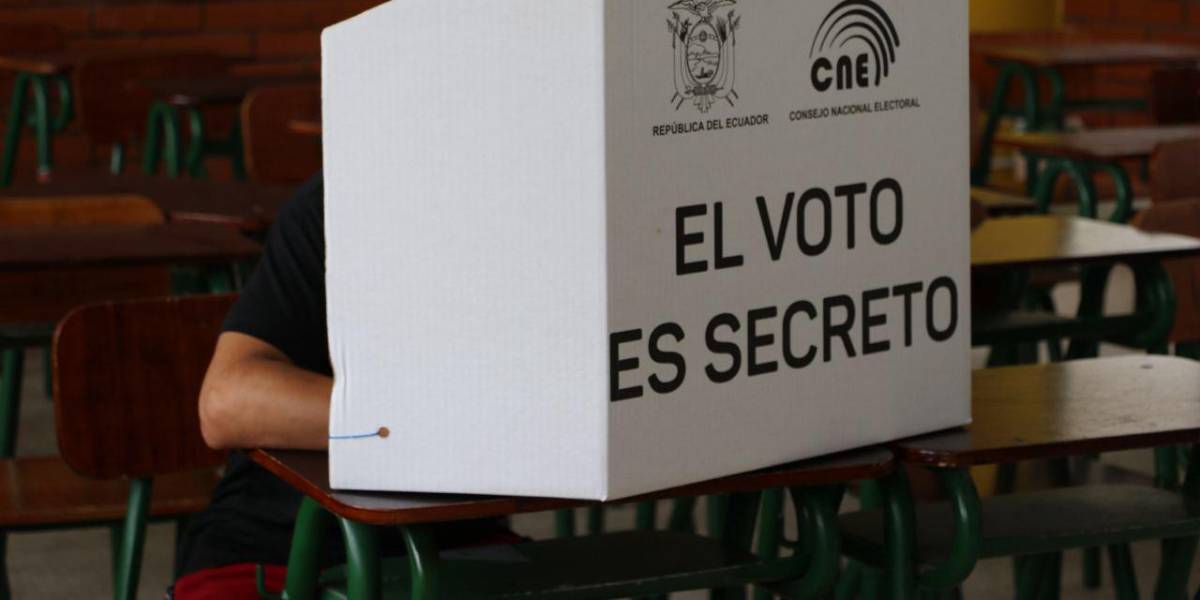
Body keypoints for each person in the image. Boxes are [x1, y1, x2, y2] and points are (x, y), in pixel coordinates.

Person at [173, 174, 518, 599]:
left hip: (462, 545)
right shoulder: (338, 202)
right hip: (279, 548)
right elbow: (226, 402)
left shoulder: (530, 212)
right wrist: (445, 423)